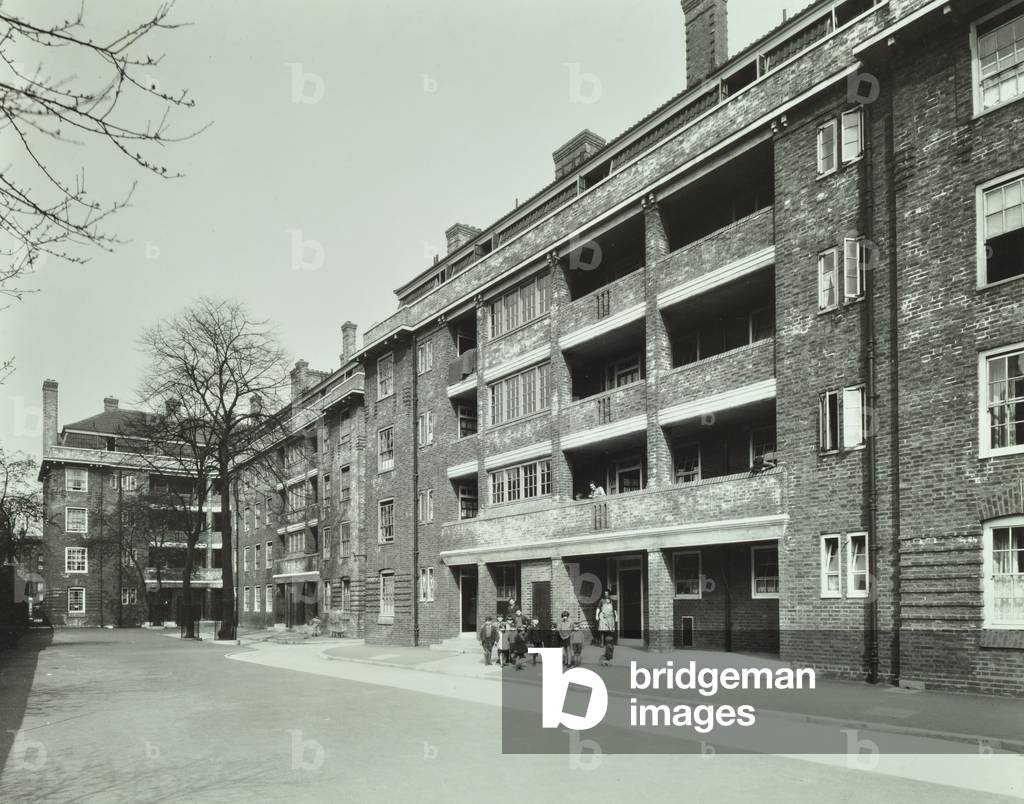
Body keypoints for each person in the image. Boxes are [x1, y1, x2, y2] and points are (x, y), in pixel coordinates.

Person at [596, 591, 617, 666]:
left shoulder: (611, 600)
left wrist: (616, 616)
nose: (606, 595)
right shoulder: (601, 601)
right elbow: (598, 608)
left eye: (607, 593)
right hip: (603, 616)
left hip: (610, 617)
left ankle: (609, 643)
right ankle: (602, 642)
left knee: (609, 630)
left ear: (609, 594)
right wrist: (597, 615)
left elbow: (614, 609)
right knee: (602, 629)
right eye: (605, 594)